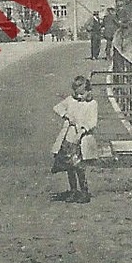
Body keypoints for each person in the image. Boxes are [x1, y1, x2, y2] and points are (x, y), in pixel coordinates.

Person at [51, 75, 99, 203]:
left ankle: (84, 191)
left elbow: (92, 122)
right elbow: (57, 108)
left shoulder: (92, 104)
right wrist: (66, 116)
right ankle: (73, 190)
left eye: (82, 93)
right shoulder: (70, 101)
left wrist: (83, 130)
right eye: (77, 92)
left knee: (80, 167)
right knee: (69, 166)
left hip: (82, 138)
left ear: (88, 90)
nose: (79, 96)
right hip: (69, 137)